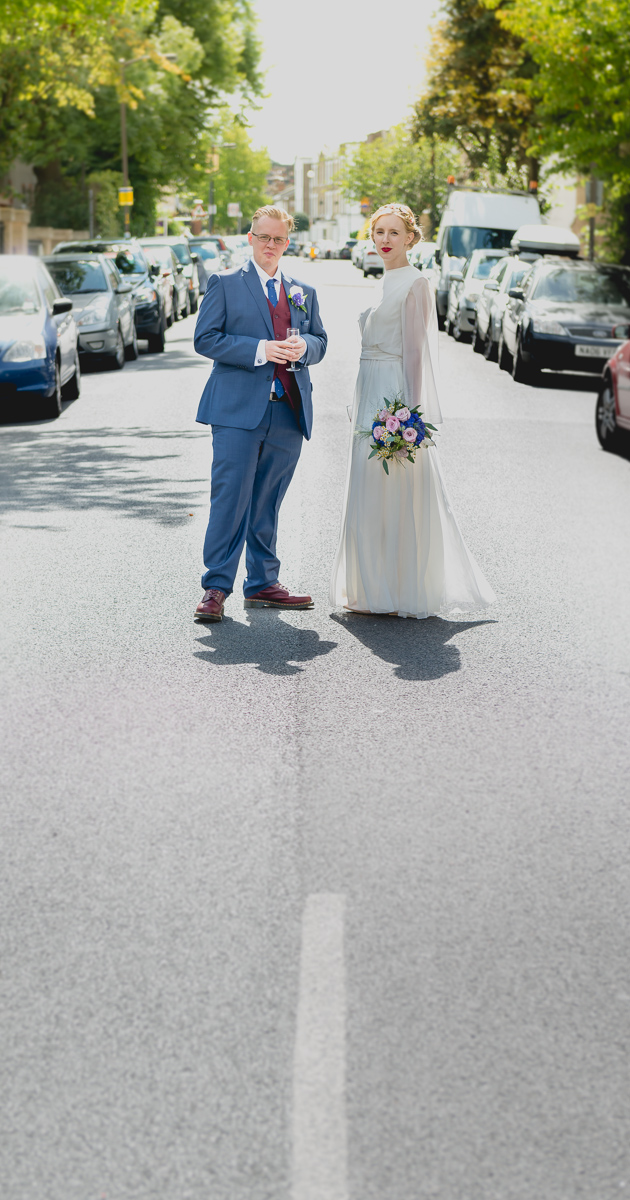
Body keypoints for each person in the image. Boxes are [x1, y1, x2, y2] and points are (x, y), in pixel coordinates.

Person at [329, 203, 495, 618]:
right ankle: (368, 589)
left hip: (391, 397)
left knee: (394, 490)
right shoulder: (381, 280)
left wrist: (408, 418)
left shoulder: (415, 282)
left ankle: (397, 589)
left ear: (409, 238)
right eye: (378, 232)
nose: (384, 240)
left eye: (393, 233)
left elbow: (417, 355)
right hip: (368, 388)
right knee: (367, 491)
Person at [194, 206, 327, 622]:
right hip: (236, 412)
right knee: (230, 499)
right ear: (249, 238)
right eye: (263, 237)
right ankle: (215, 587)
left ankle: (262, 583)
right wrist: (259, 350)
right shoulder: (226, 283)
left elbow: (321, 341)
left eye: (279, 239)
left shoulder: (303, 291)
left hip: (287, 411)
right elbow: (205, 339)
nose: (271, 245)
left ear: (288, 242)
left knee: (268, 501)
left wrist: (305, 346)